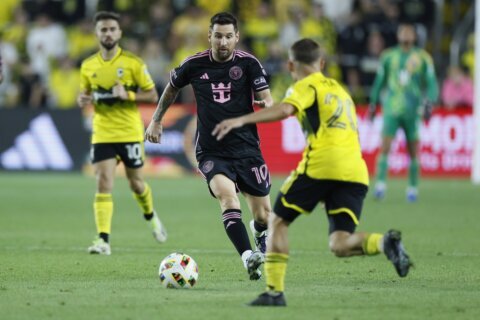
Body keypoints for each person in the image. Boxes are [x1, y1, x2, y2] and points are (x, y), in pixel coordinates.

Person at [213, 38, 412, 307]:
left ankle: (274, 292)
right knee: (340, 243)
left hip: (322, 164)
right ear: (322, 63)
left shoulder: (306, 85)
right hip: (355, 171)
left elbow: (285, 109)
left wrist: (241, 119)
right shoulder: (341, 91)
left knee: (276, 221)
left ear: (291, 64)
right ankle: (384, 243)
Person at [145, 12, 272, 280]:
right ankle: (248, 257)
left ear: (236, 37)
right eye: (218, 36)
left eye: (228, 36)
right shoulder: (194, 64)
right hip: (212, 151)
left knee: (263, 214)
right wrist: (156, 120)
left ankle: (260, 232)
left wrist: (265, 105)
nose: (223, 42)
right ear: (209, 36)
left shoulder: (249, 64)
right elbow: (171, 88)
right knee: (228, 199)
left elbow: (267, 98)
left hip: (247, 148)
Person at [77, 11, 167, 255]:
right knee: (103, 182)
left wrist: (127, 95)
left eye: (111, 29)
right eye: (103, 29)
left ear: (119, 33)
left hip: (129, 132)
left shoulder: (133, 63)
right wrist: (81, 98)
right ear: (97, 33)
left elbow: (152, 95)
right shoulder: (88, 66)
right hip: (103, 132)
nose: (107, 33)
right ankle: (103, 240)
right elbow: (84, 94)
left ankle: (151, 217)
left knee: (136, 184)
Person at [368, 23, 438, 202]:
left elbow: (431, 83)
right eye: (403, 31)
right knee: (385, 146)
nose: (406, 34)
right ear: (398, 35)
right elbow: (379, 82)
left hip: (413, 110)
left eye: (409, 32)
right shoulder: (388, 56)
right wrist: (373, 103)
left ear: (414, 36)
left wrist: (429, 102)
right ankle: (380, 186)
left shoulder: (423, 58)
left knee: (413, 150)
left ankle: (413, 188)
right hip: (391, 109)